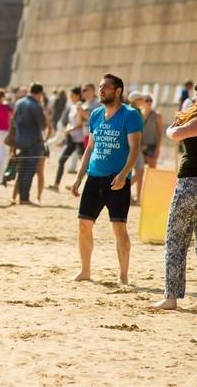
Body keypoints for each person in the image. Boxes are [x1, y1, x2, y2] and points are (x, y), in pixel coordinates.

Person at [152, 78, 197, 312]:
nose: (195, 98)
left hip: (194, 182)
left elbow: (174, 135)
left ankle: (171, 297)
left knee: (177, 238)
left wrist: (175, 123)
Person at [70, 73, 142, 285]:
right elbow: (89, 148)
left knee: (119, 227)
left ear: (117, 91)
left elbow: (135, 149)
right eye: (100, 87)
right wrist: (78, 178)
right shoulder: (95, 115)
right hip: (94, 176)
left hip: (117, 179)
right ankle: (85, 271)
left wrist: (123, 175)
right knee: (84, 224)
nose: (101, 91)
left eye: (106, 88)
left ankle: (124, 275)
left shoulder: (130, 115)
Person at [12, 83, 46, 205]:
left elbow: (14, 121)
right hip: (33, 143)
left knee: (21, 171)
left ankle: (20, 197)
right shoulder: (35, 106)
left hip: (20, 141)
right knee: (29, 171)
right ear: (39, 93)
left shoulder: (19, 102)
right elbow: (43, 125)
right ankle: (24, 198)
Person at [47, 86, 85, 191]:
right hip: (72, 139)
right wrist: (68, 128)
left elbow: (80, 123)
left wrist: (70, 129)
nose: (70, 97)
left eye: (72, 95)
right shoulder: (73, 106)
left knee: (85, 165)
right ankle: (56, 185)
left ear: (77, 96)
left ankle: (80, 186)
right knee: (61, 160)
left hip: (80, 140)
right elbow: (71, 122)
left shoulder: (80, 107)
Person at [127, 91, 147, 204]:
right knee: (139, 171)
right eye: (141, 99)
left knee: (137, 171)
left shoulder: (137, 111)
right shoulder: (133, 111)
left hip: (137, 146)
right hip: (133, 146)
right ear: (135, 100)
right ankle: (123, 188)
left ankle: (128, 194)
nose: (143, 101)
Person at [141, 94, 163, 169]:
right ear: (142, 102)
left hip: (152, 146)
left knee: (152, 171)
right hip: (141, 146)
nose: (149, 102)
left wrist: (158, 148)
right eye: (147, 100)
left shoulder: (157, 115)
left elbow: (160, 132)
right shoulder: (139, 114)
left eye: (151, 100)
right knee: (140, 170)